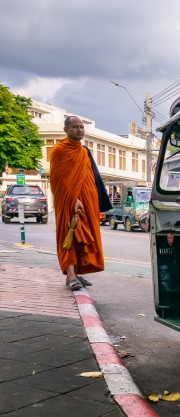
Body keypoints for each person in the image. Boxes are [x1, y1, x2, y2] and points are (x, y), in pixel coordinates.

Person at [50, 115, 111, 291]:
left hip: (87, 202)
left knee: (84, 238)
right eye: (75, 127)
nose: (79, 130)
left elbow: (91, 178)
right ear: (66, 130)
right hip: (70, 202)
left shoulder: (84, 151)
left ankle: (76, 273)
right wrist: (73, 198)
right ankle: (70, 276)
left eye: (82, 127)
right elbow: (59, 180)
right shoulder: (59, 150)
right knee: (69, 236)